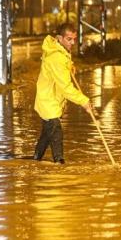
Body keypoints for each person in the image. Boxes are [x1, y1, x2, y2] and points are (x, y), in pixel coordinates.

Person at [33, 23, 92, 163]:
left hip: (52, 100)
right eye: (69, 39)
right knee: (56, 131)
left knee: (48, 134)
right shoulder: (56, 57)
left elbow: (60, 72)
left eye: (74, 39)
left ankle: (35, 161)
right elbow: (66, 88)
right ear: (59, 38)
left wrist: (69, 66)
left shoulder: (59, 52)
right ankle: (59, 164)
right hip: (48, 101)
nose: (72, 43)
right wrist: (84, 101)